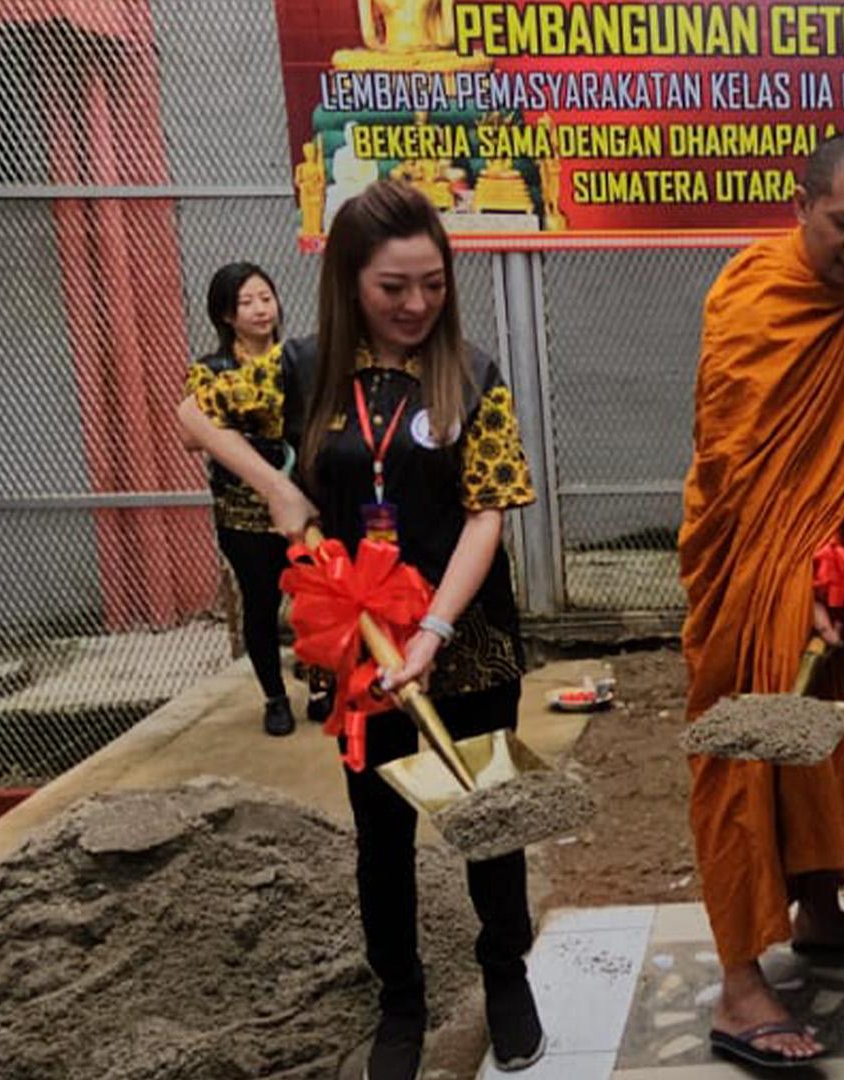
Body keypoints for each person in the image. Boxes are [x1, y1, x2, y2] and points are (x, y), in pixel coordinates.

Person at [175, 180, 546, 1079]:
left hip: (464, 640)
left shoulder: (476, 375)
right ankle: (401, 1000)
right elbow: (192, 412)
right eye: (393, 287)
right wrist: (276, 485)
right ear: (349, 282)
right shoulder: (300, 370)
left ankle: (506, 975)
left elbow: (487, 513)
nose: (417, 304)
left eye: (432, 283)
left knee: (485, 815)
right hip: (357, 655)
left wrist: (435, 632)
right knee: (381, 836)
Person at [679, 134, 844, 1069]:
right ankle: (740, 985)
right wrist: (791, 581)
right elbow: (733, 460)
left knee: (833, 737)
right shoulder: (752, 294)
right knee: (744, 753)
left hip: (834, 554)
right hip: (756, 567)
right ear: (800, 203)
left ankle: (820, 912)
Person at [177, 262, 336, 735]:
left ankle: (323, 685)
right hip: (242, 510)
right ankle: (274, 697)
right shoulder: (211, 370)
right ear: (226, 314)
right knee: (260, 602)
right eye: (246, 302)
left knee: (316, 597)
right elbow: (191, 434)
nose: (260, 309)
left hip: (304, 502)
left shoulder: (299, 358)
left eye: (265, 297)